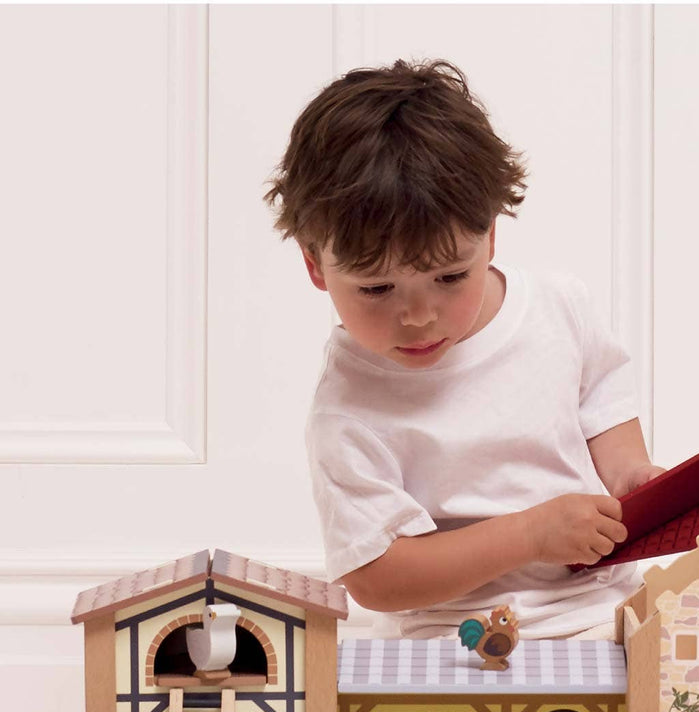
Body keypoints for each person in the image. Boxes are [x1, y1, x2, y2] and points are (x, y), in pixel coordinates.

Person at [265, 59, 663, 639]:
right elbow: (376, 577)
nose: (418, 315)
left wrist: (629, 474)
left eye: (450, 277)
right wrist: (530, 535)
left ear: (491, 235)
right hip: (461, 635)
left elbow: (600, 398)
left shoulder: (557, 306)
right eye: (377, 289)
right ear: (314, 264)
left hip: (609, 605)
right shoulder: (349, 410)